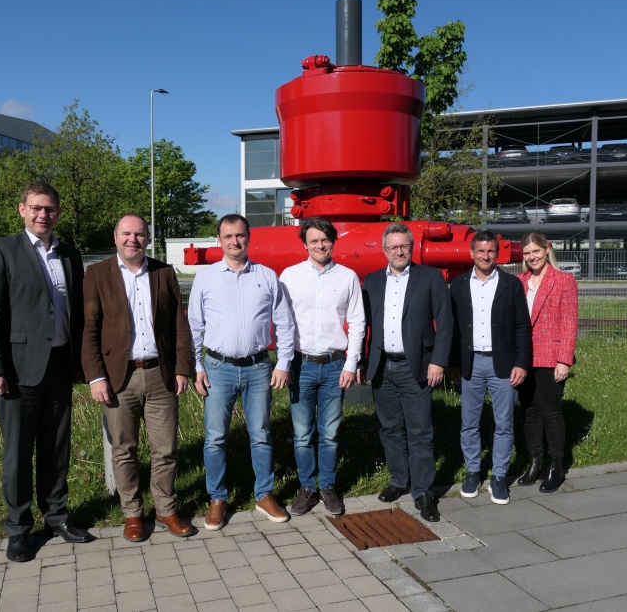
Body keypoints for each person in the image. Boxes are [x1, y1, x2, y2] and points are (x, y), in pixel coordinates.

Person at [0, 181, 92, 563]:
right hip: (18, 370)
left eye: (50, 209)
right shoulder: (2, 251)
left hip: (59, 365)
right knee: (18, 453)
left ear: (58, 212)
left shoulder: (69, 254)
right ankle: (18, 528)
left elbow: (75, 311)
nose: (44, 215)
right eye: (37, 208)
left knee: (57, 448)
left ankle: (56, 517)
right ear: (22, 209)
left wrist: (80, 363)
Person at [82, 213, 195, 542]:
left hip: (161, 374)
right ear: (115, 236)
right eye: (126, 233)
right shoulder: (97, 274)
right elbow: (89, 329)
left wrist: (182, 368)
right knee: (124, 450)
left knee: (166, 449)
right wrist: (96, 377)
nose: (133, 239)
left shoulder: (164, 272)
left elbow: (179, 325)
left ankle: (165, 509)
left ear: (148, 238)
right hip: (119, 378)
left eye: (140, 234)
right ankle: (132, 513)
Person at [188, 214, 295, 530]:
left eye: (240, 235)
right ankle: (217, 498)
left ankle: (264, 494)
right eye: (228, 236)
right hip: (217, 368)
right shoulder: (206, 278)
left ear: (248, 238)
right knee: (215, 437)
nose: (234, 242)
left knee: (261, 434)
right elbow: (194, 326)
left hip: (258, 367)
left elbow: (284, 323)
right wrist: (196, 366)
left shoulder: (267, 276)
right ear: (219, 240)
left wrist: (284, 362)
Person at [357, 223, 453, 522]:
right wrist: (361, 362)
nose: (399, 251)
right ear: (385, 250)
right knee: (390, 429)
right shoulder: (372, 281)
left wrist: (438, 361)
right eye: (393, 247)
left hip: (418, 367)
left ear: (411, 248)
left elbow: (445, 322)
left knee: (420, 431)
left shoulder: (430, 277)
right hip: (382, 366)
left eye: (404, 246)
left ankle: (423, 491)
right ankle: (399, 480)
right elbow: (363, 325)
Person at [279, 218, 365, 516]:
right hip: (300, 364)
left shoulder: (347, 277)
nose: (320, 245)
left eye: (325, 240)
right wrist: (284, 362)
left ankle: (327, 486)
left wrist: (351, 363)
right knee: (302, 433)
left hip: (334, 365)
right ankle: (307, 487)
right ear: (305, 244)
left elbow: (357, 322)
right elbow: (282, 322)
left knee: (329, 432)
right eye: (314, 240)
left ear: (333, 242)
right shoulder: (289, 276)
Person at [449, 230, 531, 505]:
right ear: (472, 253)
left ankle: (498, 476)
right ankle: (473, 472)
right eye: (481, 251)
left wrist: (521, 363)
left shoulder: (511, 284)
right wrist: (453, 362)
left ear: (497, 254)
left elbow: (522, 327)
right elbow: (453, 328)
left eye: (490, 251)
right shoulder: (458, 285)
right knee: (469, 423)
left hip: (503, 365)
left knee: (504, 424)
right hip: (470, 364)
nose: (485, 256)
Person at [516, 232, 578, 493]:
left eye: (536, 251)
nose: (532, 257)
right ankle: (535, 462)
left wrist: (564, 359)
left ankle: (556, 466)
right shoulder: (520, 282)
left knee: (550, 412)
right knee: (530, 411)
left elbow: (569, 322)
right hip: (524, 358)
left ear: (546, 250)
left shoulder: (564, 280)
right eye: (527, 253)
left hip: (551, 356)